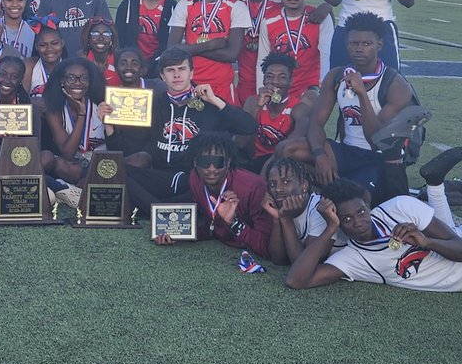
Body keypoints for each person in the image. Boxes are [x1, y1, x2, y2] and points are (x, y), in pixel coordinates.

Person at [284, 150, 462, 305]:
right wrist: (330, 229)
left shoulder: (399, 207)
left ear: (367, 205)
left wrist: (426, 242)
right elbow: (296, 280)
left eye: (360, 211)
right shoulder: (354, 260)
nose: (357, 221)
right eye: (346, 219)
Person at [302, 12, 416, 201]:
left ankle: (332, 187)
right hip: (346, 151)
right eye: (354, 43)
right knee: (288, 150)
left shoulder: (396, 85)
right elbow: (315, 123)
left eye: (366, 44)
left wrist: (362, 94)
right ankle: (321, 188)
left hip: (377, 158)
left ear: (379, 45)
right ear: (346, 44)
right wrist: (320, 156)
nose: (359, 49)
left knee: (357, 201)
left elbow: (376, 141)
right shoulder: (337, 76)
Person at [124, 48, 257, 207]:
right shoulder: (152, 104)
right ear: (162, 76)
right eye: (170, 70)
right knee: (120, 171)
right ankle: (160, 209)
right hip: (160, 175)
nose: (177, 75)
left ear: (192, 73)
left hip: (195, 179)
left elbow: (249, 127)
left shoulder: (209, 103)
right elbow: (129, 146)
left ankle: (152, 207)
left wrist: (215, 101)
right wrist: (109, 125)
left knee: (212, 184)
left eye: (182, 69)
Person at [152, 132, 283, 263]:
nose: (211, 168)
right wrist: (177, 234)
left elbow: (267, 248)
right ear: (195, 162)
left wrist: (234, 223)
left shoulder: (253, 188)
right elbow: (212, 227)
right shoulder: (194, 178)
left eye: (218, 162)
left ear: (228, 161)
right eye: (204, 161)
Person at [166, 0, 249, 104]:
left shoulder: (238, 7)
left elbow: (232, 54)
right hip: (188, 85)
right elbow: (172, 48)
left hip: (221, 86)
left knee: (221, 129)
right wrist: (210, 45)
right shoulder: (185, 4)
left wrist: (190, 50)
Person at [258, 0, 332, 96]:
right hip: (279, 86)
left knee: (304, 108)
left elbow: (326, 56)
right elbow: (262, 60)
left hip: (310, 87)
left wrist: (322, 89)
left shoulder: (320, 18)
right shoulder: (269, 21)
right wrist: (261, 89)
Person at [41, 58, 114, 187]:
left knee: (138, 159)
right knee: (58, 164)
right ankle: (87, 183)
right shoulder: (54, 111)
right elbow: (68, 154)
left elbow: (117, 148)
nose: (78, 83)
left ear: (90, 81)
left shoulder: (102, 104)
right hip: (73, 166)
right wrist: (81, 114)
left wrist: (109, 124)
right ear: (62, 81)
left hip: (101, 164)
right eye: (71, 78)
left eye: (84, 78)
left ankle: (81, 184)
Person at [240, 53, 317, 173]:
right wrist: (258, 107)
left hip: (284, 161)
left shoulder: (298, 107)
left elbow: (291, 144)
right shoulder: (252, 102)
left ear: (290, 81)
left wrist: (269, 167)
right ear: (264, 79)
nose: (275, 82)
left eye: (282, 77)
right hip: (256, 160)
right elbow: (240, 142)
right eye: (270, 76)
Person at [233, 0, 282, 106]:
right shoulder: (236, 0)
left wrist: (325, 8)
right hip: (245, 66)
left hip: (273, 66)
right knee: (247, 110)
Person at [114, 0, 174, 70]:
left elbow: (170, 45)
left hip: (158, 66)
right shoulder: (127, 4)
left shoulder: (172, 8)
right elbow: (118, 38)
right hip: (130, 65)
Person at [25, 22, 65, 98]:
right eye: (43, 45)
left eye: (54, 43)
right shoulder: (29, 67)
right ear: (36, 46)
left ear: (62, 43)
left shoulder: (71, 68)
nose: (49, 49)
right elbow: (23, 101)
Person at [80, 17, 120, 87]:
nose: (101, 38)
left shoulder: (119, 59)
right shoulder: (81, 60)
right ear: (88, 38)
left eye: (106, 34)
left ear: (112, 38)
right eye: (95, 34)